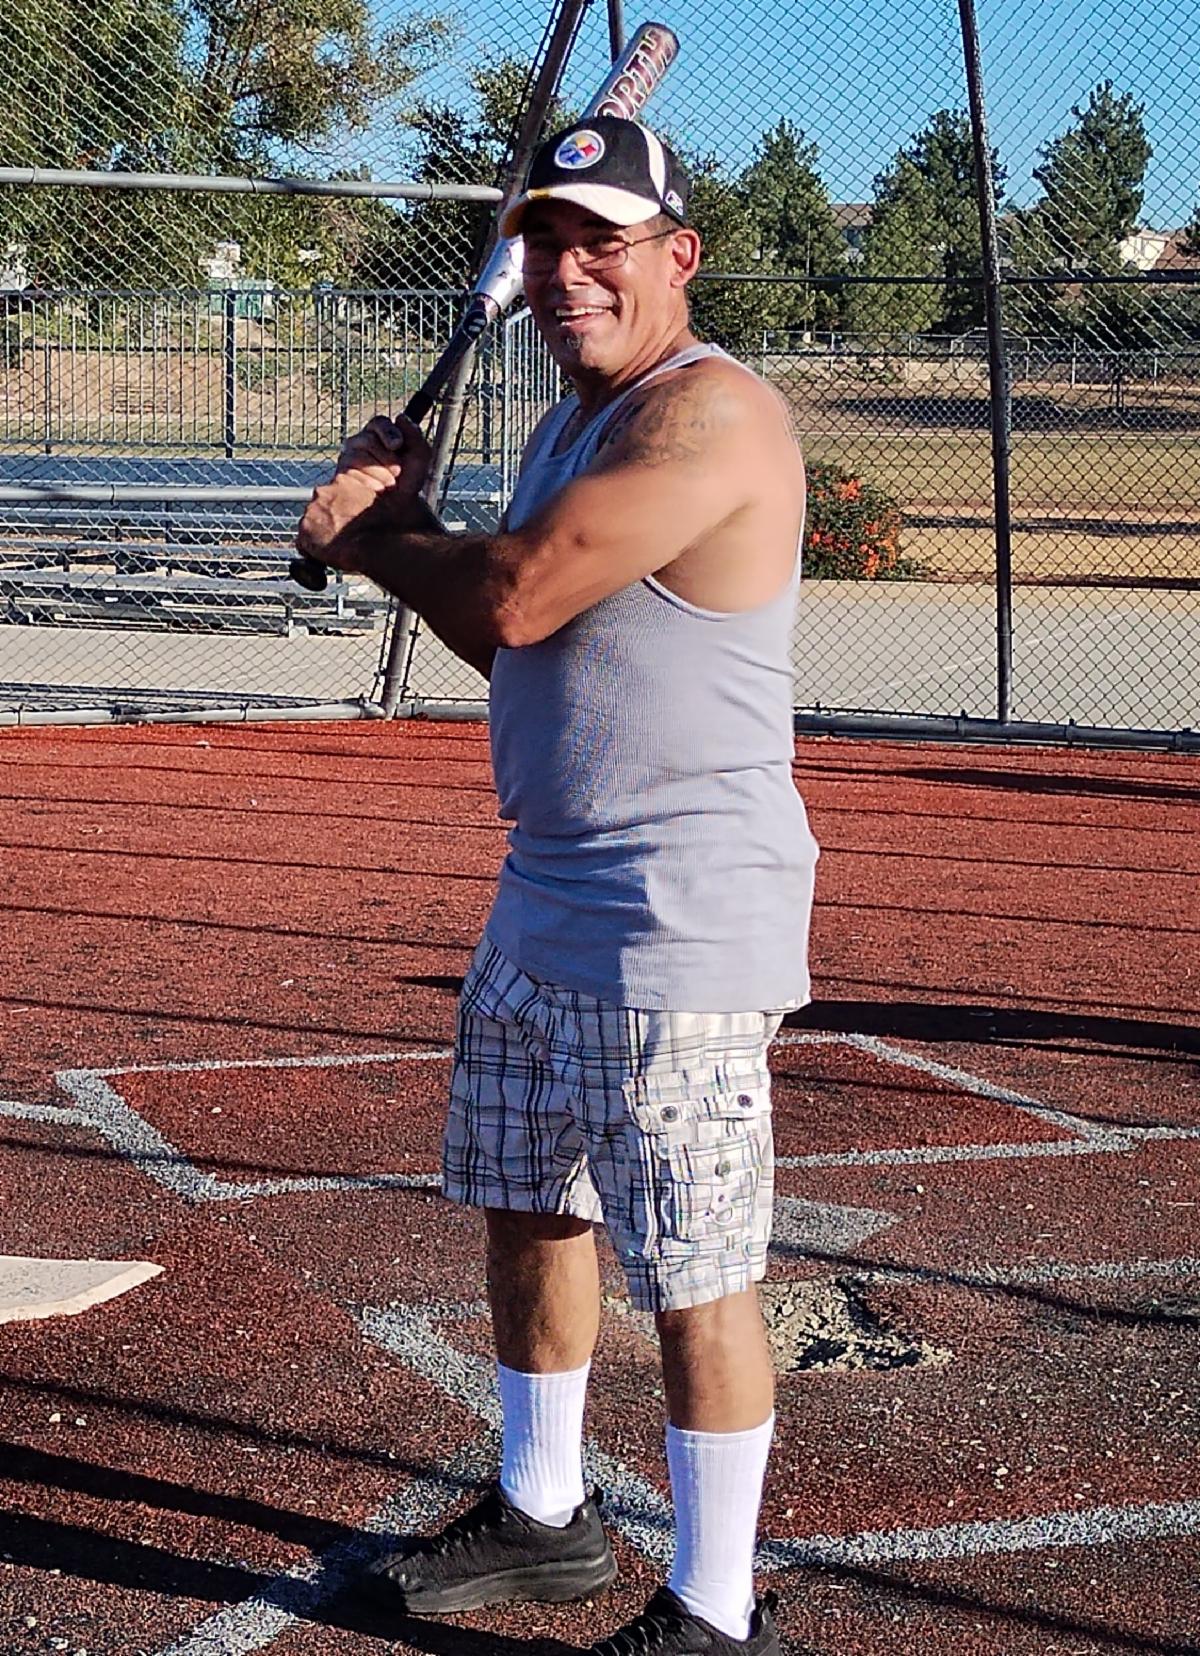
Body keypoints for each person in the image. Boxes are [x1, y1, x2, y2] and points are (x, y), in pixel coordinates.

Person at [296, 114, 819, 1656]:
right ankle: (543, 1512)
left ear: (679, 256)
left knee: (696, 1276)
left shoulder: (710, 416)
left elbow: (518, 594)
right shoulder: (574, 423)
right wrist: (412, 533)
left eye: (605, 241)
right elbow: (523, 642)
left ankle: (717, 1609)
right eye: (545, 242)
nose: (568, 271)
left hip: (678, 913)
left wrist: (381, 538)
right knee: (529, 1204)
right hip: (547, 889)